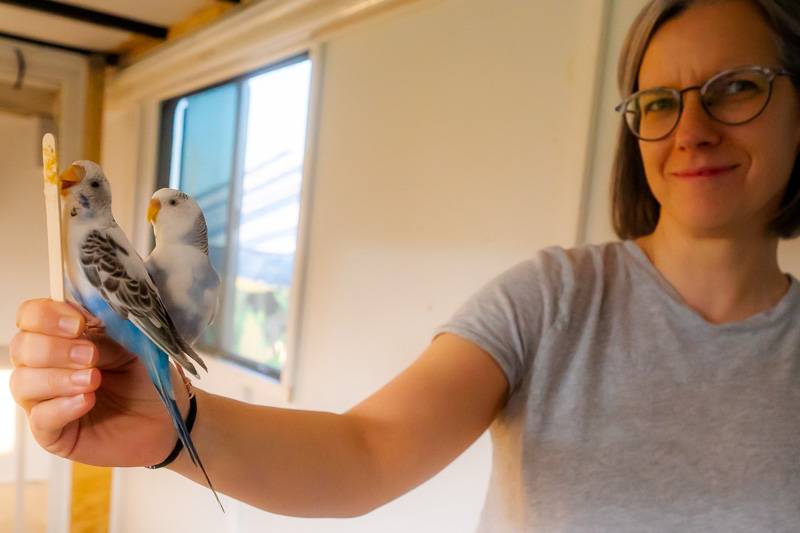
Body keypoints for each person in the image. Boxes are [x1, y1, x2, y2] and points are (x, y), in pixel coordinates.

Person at [9, 0, 800, 530]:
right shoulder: (555, 299)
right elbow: (367, 451)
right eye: (659, 101)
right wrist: (177, 429)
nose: (691, 129)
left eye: (737, 89)